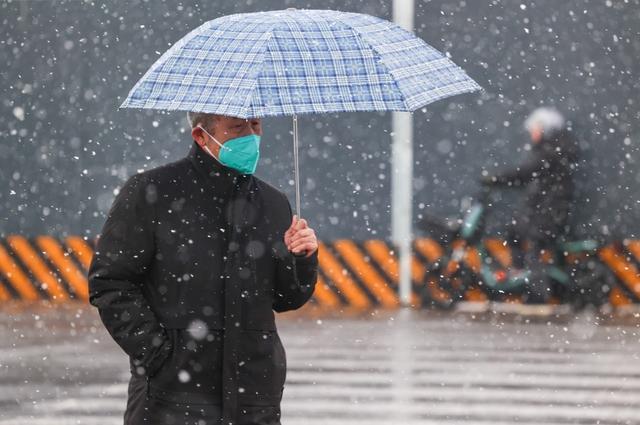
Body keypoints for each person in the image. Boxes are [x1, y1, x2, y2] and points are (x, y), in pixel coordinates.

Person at [88, 113, 319, 425]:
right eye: (238, 127)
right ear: (200, 136)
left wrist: (302, 259)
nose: (250, 136)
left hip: (254, 399)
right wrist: (157, 353)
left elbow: (286, 298)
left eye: (255, 125)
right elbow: (111, 282)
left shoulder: (273, 202)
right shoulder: (152, 191)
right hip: (171, 399)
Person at [481, 107, 579, 303]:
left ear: (546, 130)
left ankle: (537, 295)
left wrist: (496, 178)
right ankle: (522, 277)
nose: (532, 133)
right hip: (546, 212)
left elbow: (525, 172)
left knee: (534, 249)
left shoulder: (549, 152)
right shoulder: (555, 150)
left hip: (548, 213)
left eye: (535, 129)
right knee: (516, 234)